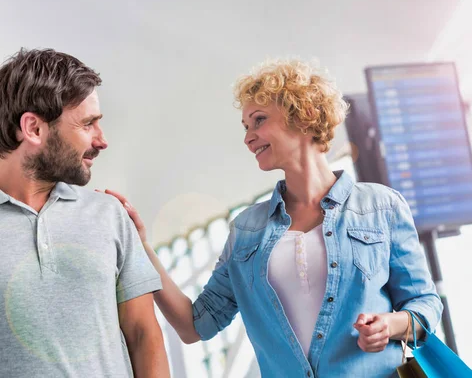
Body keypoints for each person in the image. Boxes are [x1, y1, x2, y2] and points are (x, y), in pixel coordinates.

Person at [108, 59, 442, 377]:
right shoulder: (246, 230)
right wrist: (142, 247)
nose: (247, 136)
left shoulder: (382, 207)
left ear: (306, 116)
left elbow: (425, 305)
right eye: (245, 126)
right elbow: (195, 325)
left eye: (259, 120)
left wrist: (391, 325)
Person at [0, 48, 170, 378]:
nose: (102, 140)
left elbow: (143, 334)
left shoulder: (110, 216)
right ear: (34, 128)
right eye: (88, 124)